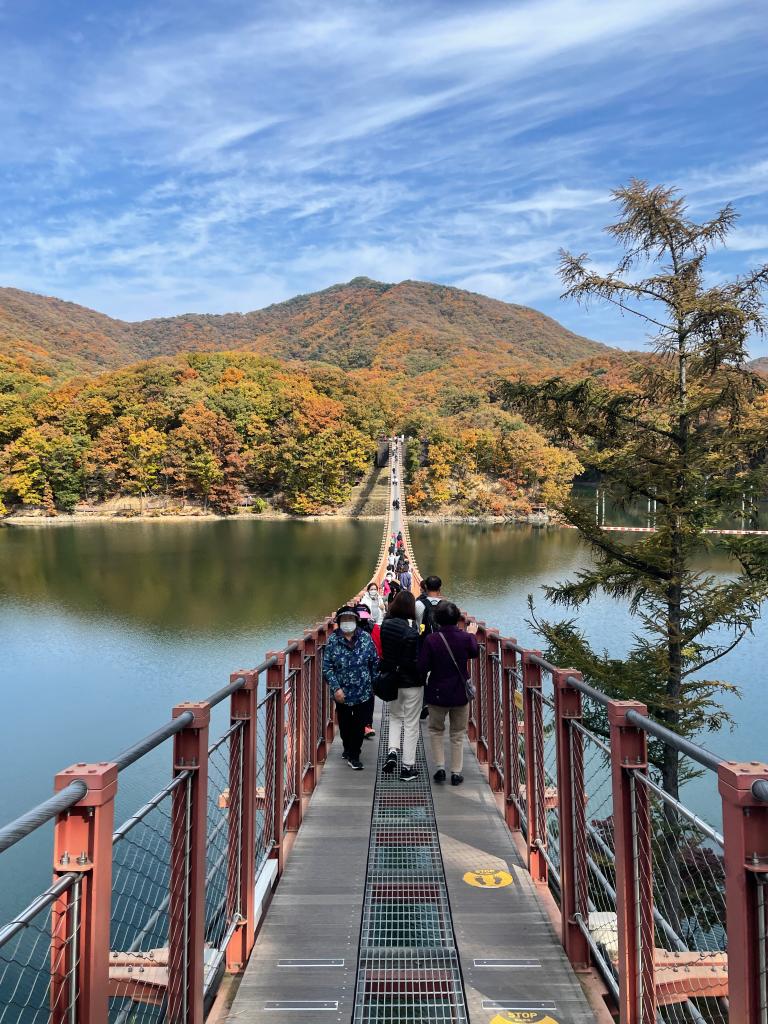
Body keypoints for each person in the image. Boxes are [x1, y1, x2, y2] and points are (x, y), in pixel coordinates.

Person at [419, 602, 479, 786]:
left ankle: (439, 768)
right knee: (457, 733)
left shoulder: (432, 639)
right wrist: (472, 635)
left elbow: (422, 666)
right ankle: (456, 772)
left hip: (437, 692)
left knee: (436, 731)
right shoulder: (465, 638)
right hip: (460, 693)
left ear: (436, 619)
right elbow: (475, 652)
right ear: (457, 618)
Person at [323, 606, 379, 770]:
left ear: (356, 621)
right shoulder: (333, 640)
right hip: (342, 692)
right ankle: (348, 748)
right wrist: (336, 688)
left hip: (363, 690)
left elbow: (374, 662)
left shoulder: (365, 639)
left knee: (359, 723)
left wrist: (374, 684)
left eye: (351, 619)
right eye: (344, 620)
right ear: (339, 622)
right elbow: (327, 668)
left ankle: (355, 755)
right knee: (345, 724)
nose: (348, 623)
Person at [380, 591, 423, 782]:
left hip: (392, 680)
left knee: (395, 717)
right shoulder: (411, 632)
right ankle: (407, 767)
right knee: (411, 724)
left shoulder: (385, 626)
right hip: (411, 683)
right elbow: (414, 660)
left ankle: (392, 752)